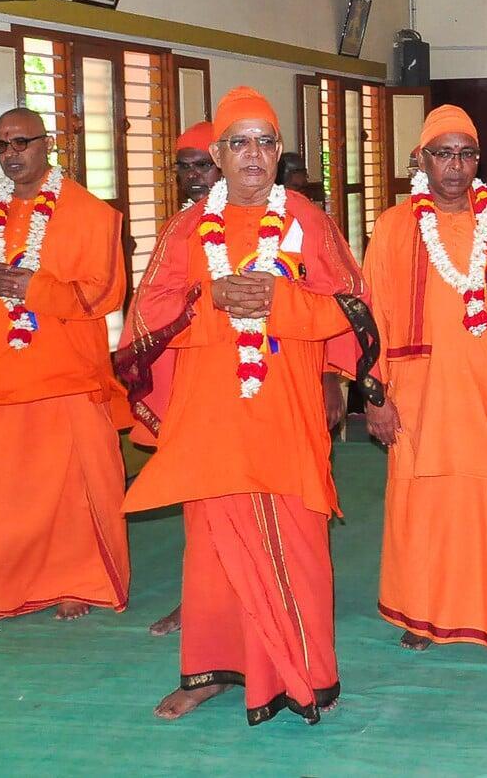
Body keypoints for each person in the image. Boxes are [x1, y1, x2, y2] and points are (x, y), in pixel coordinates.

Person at [116, 87, 372, 724]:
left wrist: (280, 303)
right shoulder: (184, 229)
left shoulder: (309, 221)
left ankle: (304, 673)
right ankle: (210, 669)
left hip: (284, 406)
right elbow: (146, 319)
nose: (252, 154)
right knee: (210, 545)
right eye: (238, 142)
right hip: (211, 412)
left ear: (279, 152)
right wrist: (213, 300)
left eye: (264, 141)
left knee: (299, 535)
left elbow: (355, 308)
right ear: (219, 154)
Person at [0, 108, 130, 630]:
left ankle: (74, 582)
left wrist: (32, 288)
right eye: (1, 146)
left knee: (69, 485)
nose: (11, 154)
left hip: (66, 373)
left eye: (20, 142)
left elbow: (103, 293)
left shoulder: (90, 214)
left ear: (47, 144)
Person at [363, 106, 487, 652]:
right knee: (421, 503)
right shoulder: (395, 227)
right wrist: (374, 397)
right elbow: (371, 321)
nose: (455, 166)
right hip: (417, 392)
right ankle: (423, 615)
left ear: (478, 161)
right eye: (443, 154)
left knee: (484, 495)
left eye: (465, 154)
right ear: (421, 160)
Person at [147, 120, 222, 639]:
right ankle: (198, 601)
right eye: (185, 167)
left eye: (204, 164)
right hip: (200, 383)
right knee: (201, 500)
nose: (194, 177)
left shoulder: (281, 218)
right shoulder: (179, 229)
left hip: (263, 385)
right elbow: (151, 304)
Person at [176, 121, 221, 207]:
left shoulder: (244, 215)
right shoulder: (180, 219)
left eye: (203, 165)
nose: (191, 175)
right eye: (184, 166)